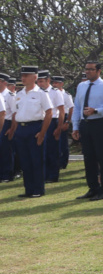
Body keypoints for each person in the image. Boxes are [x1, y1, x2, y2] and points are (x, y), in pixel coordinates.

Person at [72, 61, 103, 201]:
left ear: (99, 71)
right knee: (88, 158)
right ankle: (93, 188)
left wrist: (97, 111)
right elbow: (77, 107)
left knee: (102, 158)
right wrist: (75, 126)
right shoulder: (81, 86)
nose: (88, 72)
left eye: (91, 70)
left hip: (100, 123)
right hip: (85, 124)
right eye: (86, 69)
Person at [10, 66, 53, 198]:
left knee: (36, 160)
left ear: (35, 77)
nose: (23, 78)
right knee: (24, 161)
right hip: (21, 129)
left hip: (35, 127)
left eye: (26, 76)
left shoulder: (41, 93)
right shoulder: (18, 94)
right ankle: (28, 189)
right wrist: (14, 131)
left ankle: (38, 189)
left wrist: (42, 132)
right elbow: (15, 113)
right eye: (22, 76)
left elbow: (49, 113)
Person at [37, 70, 65, 183]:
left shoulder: (55, 92)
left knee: (52, 150)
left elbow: (61, 111)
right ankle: (43, 175)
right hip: (39, 121)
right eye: (38, 81)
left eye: (42, 81)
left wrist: (59, 128)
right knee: (40, 150)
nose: (39, 84)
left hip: (52, 121)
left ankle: (53, 175)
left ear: (48, 80)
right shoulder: (37, 92)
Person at [51, 76, 73, 169]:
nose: (55, 85)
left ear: (62, 84)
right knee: (54, 142)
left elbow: (71, 108)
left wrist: (67, 122)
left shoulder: (66, 95)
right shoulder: (50, 93)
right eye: (54, 83)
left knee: (63, 142)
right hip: (54, 118)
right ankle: (55, 161)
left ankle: (63, 162)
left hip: (64, 118)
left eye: (57, 83)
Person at [0, 73, 15, 182]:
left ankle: (7, 175)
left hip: (6, 124)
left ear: (4, 82)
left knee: (6, 151)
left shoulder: (10, 95)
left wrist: (12, 128)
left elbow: (15, 113)